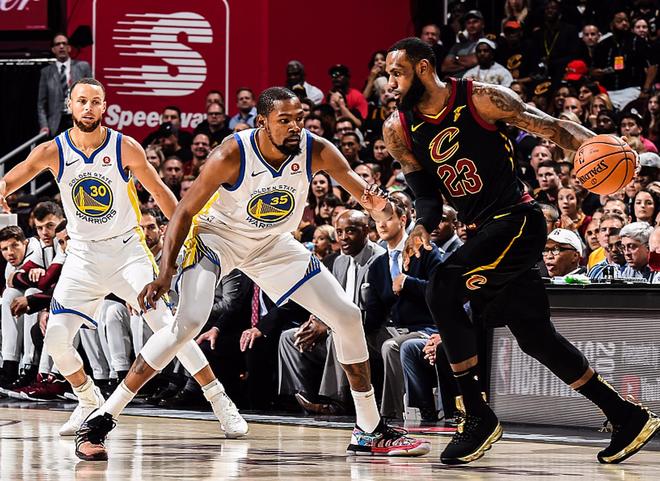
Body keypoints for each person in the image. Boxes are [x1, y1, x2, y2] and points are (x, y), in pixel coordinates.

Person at [74, 87, 431, 460]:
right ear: (262, 122)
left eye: (299, 119)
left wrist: (385, 209)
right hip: (218, 239)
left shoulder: (316, 149)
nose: (295, 127)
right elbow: (183, 212)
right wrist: (165, 274)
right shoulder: (231, 154)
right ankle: (101, 418)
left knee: (347, 315)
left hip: (273, 243)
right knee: (187, 324)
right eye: (284, 120)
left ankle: (369, 429)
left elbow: (363, 193)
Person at [383, 37, 658, 465]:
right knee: (535, 338)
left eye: (397, 73)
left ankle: (476, 415)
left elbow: (554, 128)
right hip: (481, 232)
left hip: (516, 219)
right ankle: (625, 416)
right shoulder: (397, 129)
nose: (389, 83)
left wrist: (608, 147)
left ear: (422, 68)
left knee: (441, 286)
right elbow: (426, 197)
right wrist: (421, 224)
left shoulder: (481, 98)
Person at [0, 77, 247, 440]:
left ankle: (220, 400)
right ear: (70, 106)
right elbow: (11, 179)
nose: (88, 108)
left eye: (94, 102)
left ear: (104, 106)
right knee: (55, 339)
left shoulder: (124, 147)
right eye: (81, 101)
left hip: (127, 252)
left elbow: (160, 193)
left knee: (169, 327)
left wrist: (186, 233)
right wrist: (2, 190)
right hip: (82, 256)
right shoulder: (53, 150)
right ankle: (88, 399)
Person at [38, 33, 92, 136]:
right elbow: (41, 104)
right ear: (53, 49)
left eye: (64, 43)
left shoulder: (83, 67)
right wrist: (44, 125)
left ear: (69, 48)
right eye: (58, 44)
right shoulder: (46, 72)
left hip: (79, 120)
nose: (61, 46)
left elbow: (93, 95)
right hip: (56, 124)